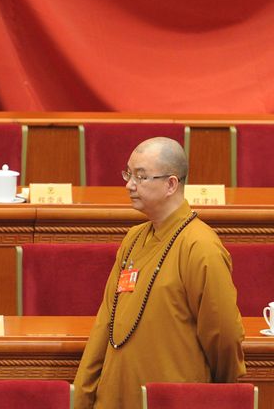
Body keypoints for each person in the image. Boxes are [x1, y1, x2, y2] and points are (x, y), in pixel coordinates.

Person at [73, 137, 246, 409]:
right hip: (117, 395)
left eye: (140, 176)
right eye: (128, 174)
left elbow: (223, 334)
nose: (129, 185)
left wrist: (221, 396)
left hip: (174, 400)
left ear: (171, 184)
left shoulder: (200, 246)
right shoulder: (133, 239)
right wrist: (83, 395)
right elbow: (106, 323)